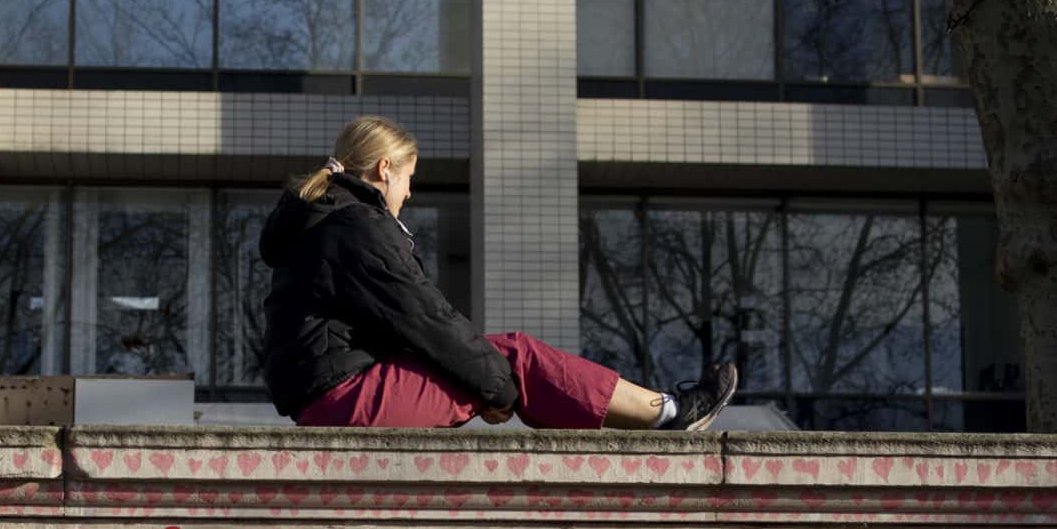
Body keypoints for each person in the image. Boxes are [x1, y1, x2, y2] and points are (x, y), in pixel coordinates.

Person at [258, 116, 740, 431]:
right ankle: (671, 414)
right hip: (346, 399)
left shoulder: (321, 223)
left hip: (328, 398)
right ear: (386, 169)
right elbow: (425, 315)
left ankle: (654, 412)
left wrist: (482, 383)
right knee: (515, 355)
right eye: (408, 179)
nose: (408, 194)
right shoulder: (357, 224)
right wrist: (497, 385)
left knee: (496, 361)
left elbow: (397, 327)